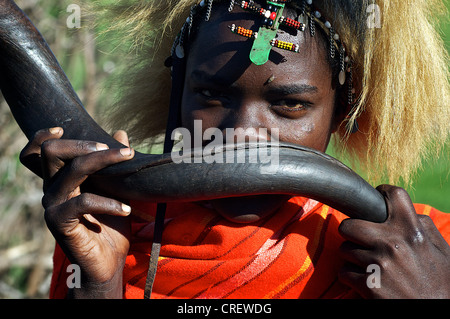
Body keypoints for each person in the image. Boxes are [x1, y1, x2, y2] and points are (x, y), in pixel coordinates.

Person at [19, 0, 450, 299]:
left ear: (342, 111)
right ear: (177, 93)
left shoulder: (421, 253)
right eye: (212, 94)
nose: (243, 135)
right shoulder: (110, 227)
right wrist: (100, 284)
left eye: (290, 104)